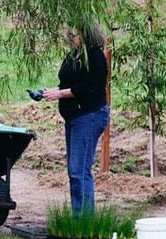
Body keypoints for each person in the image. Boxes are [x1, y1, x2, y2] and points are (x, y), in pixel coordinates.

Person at [39, 19, 110, 217]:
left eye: (75, 33)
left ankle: (84, 220)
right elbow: (68, 81)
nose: (70, 36)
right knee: (74, 170)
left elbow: (90, 87)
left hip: (88, 116)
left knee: (79, 170)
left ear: (86, 34)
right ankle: (79, 217)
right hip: (74, 117)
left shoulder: (95, 55)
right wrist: (51, 92)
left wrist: (60, 94)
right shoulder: (74, 55)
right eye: (69, 33)